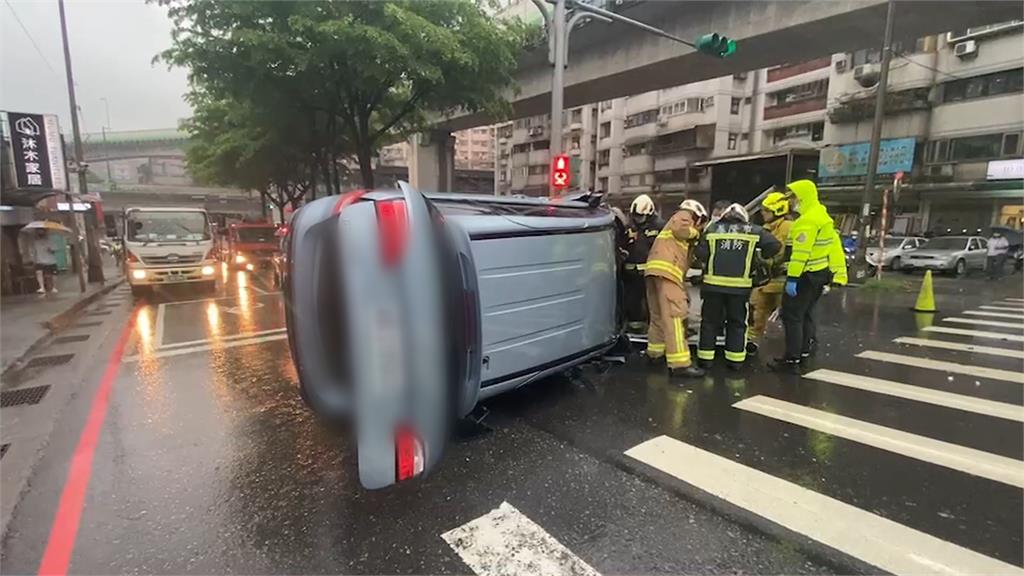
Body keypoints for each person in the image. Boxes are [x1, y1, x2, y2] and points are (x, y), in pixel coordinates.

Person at [770, 180, 847, 372]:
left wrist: (793, 278)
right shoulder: (822, 217)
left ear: (802, 197)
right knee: (805, 315)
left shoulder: (807, 221)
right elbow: (835, 248)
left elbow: (800, 254)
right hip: (819, 274)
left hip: (805, 275)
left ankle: (791, 359)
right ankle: (803, 351)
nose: (792, 201)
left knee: (792, 316)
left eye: (794, 197)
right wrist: (838, 275)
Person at [694, 203, 781, 370]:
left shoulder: (712, 230)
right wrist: (759, 257)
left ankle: (705, 360)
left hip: (713, 286)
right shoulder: (753, 230)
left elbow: (700, 254)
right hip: (739, 288)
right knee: (737, 323)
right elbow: (775, 246)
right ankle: (735, 361)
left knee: (709, 323)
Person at [645, 199, 708, 378]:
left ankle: (655, 353)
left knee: (658, 316)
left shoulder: (669, 228)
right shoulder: (684, 215)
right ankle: (680, 364)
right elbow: (680, 229)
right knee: (675, 317)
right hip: (667, 273)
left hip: (655, 272)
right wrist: (696, 234)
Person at [746, 192, 794, 356]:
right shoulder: (766, 229)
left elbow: (781, 252)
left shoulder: (788, 227)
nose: (763, 213)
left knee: (789, 314)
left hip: (783, 278)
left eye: (766, 211)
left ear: (777, 211)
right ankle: (751, 341)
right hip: (767, 279)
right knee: (757, 309)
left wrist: (767, 261)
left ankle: (795, 346)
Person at [623, 194, 664, 331]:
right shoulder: (630, 227)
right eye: (635, 216)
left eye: (640, 216)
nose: (637, 219)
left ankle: (653, 327)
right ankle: (635, 326)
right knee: (632, 300)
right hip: (632, 274)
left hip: (651, 273)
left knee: (652, 302)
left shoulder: (659, 227)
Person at [31, 229, 58, 294]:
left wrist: (50, 249)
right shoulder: (35, 242)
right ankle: (42, 287)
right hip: (39, 260)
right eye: (39, 232)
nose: (40, 233)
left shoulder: (50, 241)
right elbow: (34, 252)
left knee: (53, 275)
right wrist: (34, 260)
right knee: (39, 273)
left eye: (42, 232)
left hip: (50, 261)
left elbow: (54, 250)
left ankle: (54, 287)